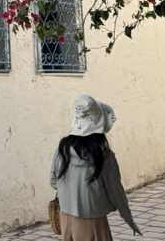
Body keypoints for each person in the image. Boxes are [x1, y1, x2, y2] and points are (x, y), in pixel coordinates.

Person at [50, 94, 141, 240]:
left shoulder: (62, 148)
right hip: (93, 220)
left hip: (66, 217)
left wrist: (71, 193)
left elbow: (53, 181)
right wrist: (128, 218)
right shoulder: (103, 155)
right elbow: (115, 191)